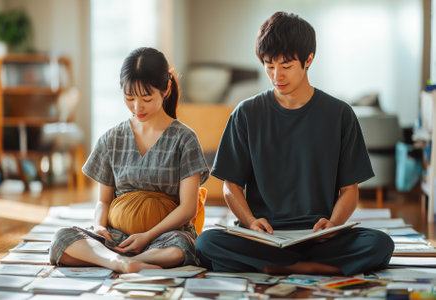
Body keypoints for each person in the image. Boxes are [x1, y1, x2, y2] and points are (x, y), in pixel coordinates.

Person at [196, 11, 394, 276]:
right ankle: (311, 269)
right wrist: (250, 222)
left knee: (380, 244)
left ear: (308, 59)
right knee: (207, 242)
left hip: (320, 237)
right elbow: (230, 186)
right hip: (264, 236)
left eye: (286, 66)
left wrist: (333, 224)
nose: (277, 75)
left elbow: (349, 190)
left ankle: (278, 268)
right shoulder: (245, 114)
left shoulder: (340, 114)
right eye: (269, 65)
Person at [49, 47, 209, 273]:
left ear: (166, 89)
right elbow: (103, 201)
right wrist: (99, 226)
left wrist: (146, 237)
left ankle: (115, 259)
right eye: (129, 97)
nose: (137, 107)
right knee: (61, 238)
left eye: (146, 97)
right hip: (117, 237)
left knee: (182, 248)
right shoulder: (112, 138)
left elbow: (188, 209)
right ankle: (120, 262)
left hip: (164, 237)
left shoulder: (185, 139)